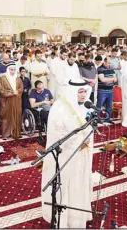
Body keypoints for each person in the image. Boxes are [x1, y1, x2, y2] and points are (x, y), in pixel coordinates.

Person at [41, 78, 92, 228]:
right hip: (65, 158)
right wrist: (78, 143)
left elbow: (86, 127)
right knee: (65, 188)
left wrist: (86, 140)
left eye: (84, 91)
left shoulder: (82, 106)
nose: (83, 95)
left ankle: (77, 217)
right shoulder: (60, 108)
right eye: (80, 92)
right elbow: (58, 134)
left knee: (78, 186)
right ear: (72, 91)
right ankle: (64, 220)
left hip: (80, 156)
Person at [0, 63, 23, 140]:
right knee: (6, 117)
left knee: (17, 115)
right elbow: (1, 91)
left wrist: (17, 92)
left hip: (16, 101)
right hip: (7, 101)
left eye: (14, 70)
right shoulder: (3, 78)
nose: (12, 71)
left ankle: (16, 133)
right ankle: (6, 134)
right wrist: (12, 93)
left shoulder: (18, 79)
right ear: (8, 70)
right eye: (11, 70)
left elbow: (21, 88)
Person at [96, 57, 116, 122]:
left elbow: (115, 79)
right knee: (99, 106)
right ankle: (97, 119)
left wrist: (109, 80)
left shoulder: (111, 69)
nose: (109, 64)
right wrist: (111, 79)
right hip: (102, 90)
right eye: (108, 63)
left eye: (110, 63)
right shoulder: (100, 69)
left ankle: (107, 119)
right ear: (104, 62)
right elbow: (102, 79)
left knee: (109, 107)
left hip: (110, 90)